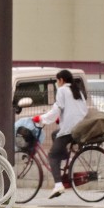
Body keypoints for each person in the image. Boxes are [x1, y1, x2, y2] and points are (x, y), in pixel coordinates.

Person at [36, 69, 88, 198]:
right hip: (81, 127)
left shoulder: (62, 90)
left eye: (57, 80)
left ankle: (58, 185)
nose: (56, 83)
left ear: (61, 80)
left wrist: (41, 118)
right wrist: (61, 118)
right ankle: (67, 158)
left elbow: (57, 109)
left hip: (70, 130)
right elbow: (76, 109)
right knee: (55, 134)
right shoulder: (78, 91)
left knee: (52, 156)